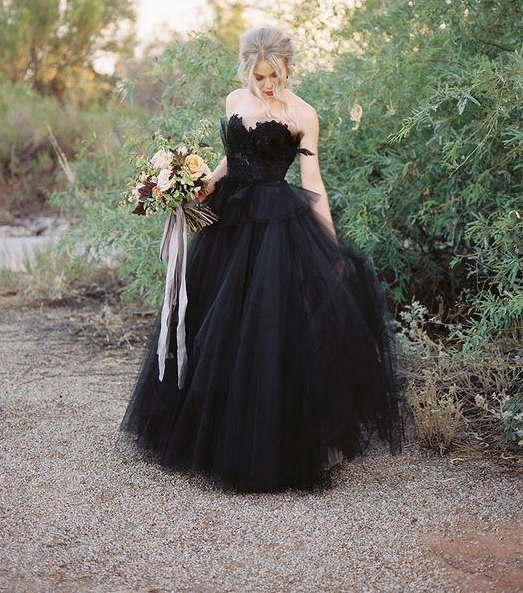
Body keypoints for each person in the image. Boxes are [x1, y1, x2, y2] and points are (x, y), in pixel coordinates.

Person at [117, 26, 404, 493]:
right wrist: (195, 185)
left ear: (288, 67)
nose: (266, 83)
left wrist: (328, 243)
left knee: (269, 329)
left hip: (276, 222)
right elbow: (232, 158)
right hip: (227, 217)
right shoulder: (235, 100)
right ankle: (208, 435)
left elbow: (312, 180)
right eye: (258, 75)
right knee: (214, 321)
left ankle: (272, 440)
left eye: (273, 74)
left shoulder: (303, 114)